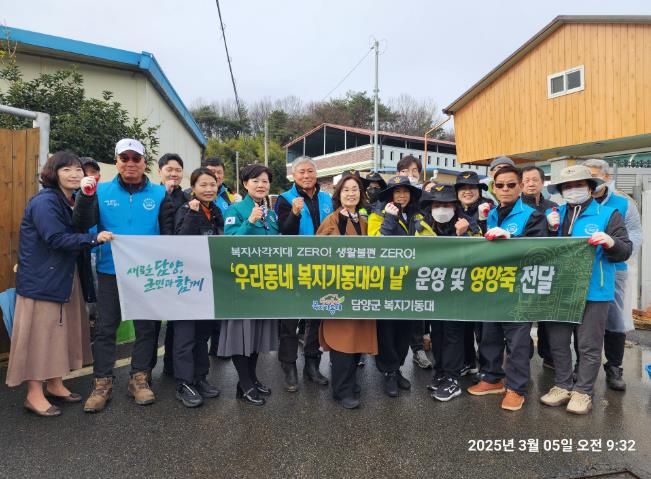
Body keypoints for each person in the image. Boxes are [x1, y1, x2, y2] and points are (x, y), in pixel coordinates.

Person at [6, 152, 113, 416]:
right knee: (40, 337)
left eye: (78, 169)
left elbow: (83, 223)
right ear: (53, 173)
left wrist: (87, 197)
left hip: (63, 276)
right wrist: (93, 239)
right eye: (67, 170)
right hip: (43, 281)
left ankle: (54, 384)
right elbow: (55, 238)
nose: (75, 174)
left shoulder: (71, 199)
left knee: (58, 334)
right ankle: (33, 394)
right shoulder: (45, 201)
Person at [73, 138, 175, 413]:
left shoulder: (160, 193)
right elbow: (82, 224)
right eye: (124, 158)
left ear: (144, 162)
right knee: (106, 328)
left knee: (147, 327)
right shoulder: (100, 190)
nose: (130, 163)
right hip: (110, 271)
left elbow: (168, 233)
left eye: (136, 158)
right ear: (116, 161)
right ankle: (102, 382)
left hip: (148, 272)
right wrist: (85, 197)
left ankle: (139, 378)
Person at [541, 165, 632, 414]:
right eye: (567, 186)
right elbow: (538, 251)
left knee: (589, 345)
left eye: (579, 185)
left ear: (590, 188)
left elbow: (625, 249)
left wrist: (611, 242)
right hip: (559, 290)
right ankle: (562, 385)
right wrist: (549, 229)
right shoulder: (553, 214)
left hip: (595, 290)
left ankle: (583, 391)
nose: (573, 190)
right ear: (561, 191)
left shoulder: (609, 214)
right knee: (558, 342)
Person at [467, 165, 547, 411]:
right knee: (489, 335)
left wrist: (511, 239)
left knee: (518, 341)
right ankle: (492, 378)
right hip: (494, 285)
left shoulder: (533, 215)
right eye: (499, 185)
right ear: (494, 187)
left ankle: (516, 388)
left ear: (521, 186)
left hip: (519, 288)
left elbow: (539, 249)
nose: (505, 189)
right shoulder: (491, 214)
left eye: (511, 184)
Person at [316, 173, 378, 409]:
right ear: (338, 194)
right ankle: (341, 389)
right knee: (342, 339)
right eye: (346, 189)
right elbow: (319, 251)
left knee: (355, 340)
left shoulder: (363, 220)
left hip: (360, 290)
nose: (351, 193)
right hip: (338, 291)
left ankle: (348, 383)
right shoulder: (331, 219)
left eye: (355, 189)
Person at [411, 185, 476, 402]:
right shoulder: (422, 227)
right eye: (437, 205)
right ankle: (441, 372)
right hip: (433, 290)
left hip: (458, 290)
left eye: (446, 205)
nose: (441, 209)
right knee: (437, 333)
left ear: (455, 207)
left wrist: (462, 235)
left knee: (453, 334)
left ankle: (452, 379)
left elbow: (480, 254)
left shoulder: (468, 225)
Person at [222, 164, 279, 406]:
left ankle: (251, 379)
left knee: (256, 334)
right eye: (255, 181)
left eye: (265, 181)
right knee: (240, 334)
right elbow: (228, 243)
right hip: (241, 283)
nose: (261, 185)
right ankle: (245, 384)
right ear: (245, 184)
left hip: (265, 283)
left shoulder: (271, 214)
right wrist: (249, 221)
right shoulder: (235, 210)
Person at [583, 159, 642, 391]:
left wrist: (619, 253)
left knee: (615, 319)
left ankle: (614, 367)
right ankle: (582, 366)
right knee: (584, 319)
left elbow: (635, 235)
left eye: (594, 175)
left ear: (607, 177)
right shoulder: (577, 201)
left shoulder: (624, 203)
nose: (590, 180)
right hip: (582, 271)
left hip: (614, 269)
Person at [275, 156, 332, 392]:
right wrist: (295, 213)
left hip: (322, 267)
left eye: (310, 171)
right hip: (294, 267)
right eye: (301, 172)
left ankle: (312, 363)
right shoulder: (285, 199)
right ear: (294, 176)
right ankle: (288, 365)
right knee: (290, 319)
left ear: (316, 173)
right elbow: (285, 231)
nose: (306, 175)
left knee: (315, 317)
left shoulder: (327, 198)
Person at [171, 167, 224, 407]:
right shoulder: (185, 209)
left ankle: (200, 377)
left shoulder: (216, 211)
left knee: (202, 334)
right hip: (185, 283)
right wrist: (193, 214)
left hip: (208, 282)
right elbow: (180, 241)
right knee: (185, 336)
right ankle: (184, 383)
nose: (209, 189)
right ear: (193, 188)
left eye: (212, 184)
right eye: (203, 185)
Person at [368, 175, 422, 397]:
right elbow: (375, 244)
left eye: (405, 191)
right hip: (386, 282)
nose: (401, 196)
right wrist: (390, 219)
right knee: (386, 328)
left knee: (404, 329)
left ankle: (397, 367)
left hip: (409, 282)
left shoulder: (417, 216)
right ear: (389, 195)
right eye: (397, 192)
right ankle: (388, 371)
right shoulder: (376, 216)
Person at [194, 156, 239, 357]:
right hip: (199, 260)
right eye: (211, 172)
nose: (216, 176)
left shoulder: (230, 196)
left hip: (224, 256)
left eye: (219, 173)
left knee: (220, 305)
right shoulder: (191, 197)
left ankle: (218, 348)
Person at [518, 165, 559, 369]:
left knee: (547, 314)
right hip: (523, 268)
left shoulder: (553, 206)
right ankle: (522, 354)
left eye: (535, 180)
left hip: (548, 268)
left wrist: (552, 227)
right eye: (526, 180)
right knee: (522, 314)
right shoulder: (516, 206)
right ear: (521, 184)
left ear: (542, 182)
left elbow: (562, 236)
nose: (531, 184)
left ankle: (548, 355)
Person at [454, 171, 494, 377]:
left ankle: (487, 368)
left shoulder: (490, 209)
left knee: (484, 327)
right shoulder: (451, 209)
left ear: (479, 190)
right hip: (459, 276)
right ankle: (467, 362)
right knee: (462, 324)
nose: (467, 192)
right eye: (463, 188)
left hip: (484, 275)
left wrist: (478, 223)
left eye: (472, 188)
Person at [394, 156, 432, 369]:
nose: (411, 175)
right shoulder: (384, 205)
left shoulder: (420, 203)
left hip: (417, 267)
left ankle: (418, 349)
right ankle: (390, 362)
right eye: (406, 171)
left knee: (416, 311)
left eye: (415, 171)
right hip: (393, 269)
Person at [154, 153, 189, 375]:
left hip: (181, 265)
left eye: (178, 170)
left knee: (177, 320)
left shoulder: (187, 197)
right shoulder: (153, 194)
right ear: (160, 172)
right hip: (157, 264)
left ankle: (171, 364)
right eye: (169, 169)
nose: (174, 174)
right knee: (153, 320)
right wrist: (164, 196)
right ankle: (146, 371)